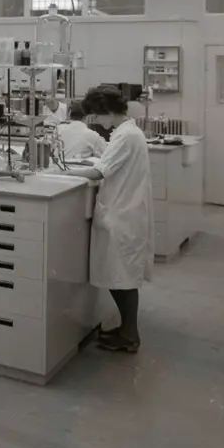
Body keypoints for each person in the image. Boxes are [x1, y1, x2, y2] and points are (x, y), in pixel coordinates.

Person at [72, 85, 154, 354]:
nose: (97, 121)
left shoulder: (126, 136)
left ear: (107, 110)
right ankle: (127, 330)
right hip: (125, 211)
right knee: (120, 276)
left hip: (122, 214)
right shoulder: (127, 132)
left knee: (123, 279)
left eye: (97, 115)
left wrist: (62, 173)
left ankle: (130, 335)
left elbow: (99, 173)